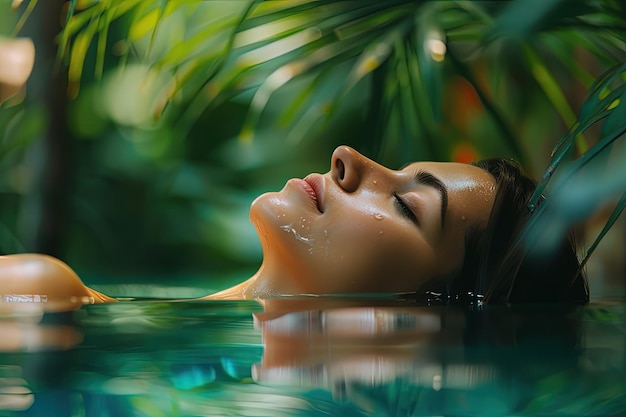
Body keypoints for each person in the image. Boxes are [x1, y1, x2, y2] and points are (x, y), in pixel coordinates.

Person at [0, 146, 588, 310]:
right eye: (397, 170)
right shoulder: (39, 292)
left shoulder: (42, 301)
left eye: (408, 208)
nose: (348, 158)